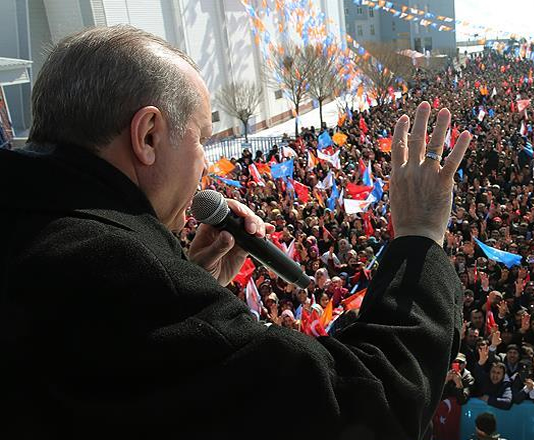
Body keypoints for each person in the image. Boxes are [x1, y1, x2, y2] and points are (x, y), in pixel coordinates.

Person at [0, 26, 472, 438]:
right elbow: (365, 405)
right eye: (202, 138)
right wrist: (418, 236)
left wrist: (187, 277)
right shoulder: (112, 270)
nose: (206, 162)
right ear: (147, 135)